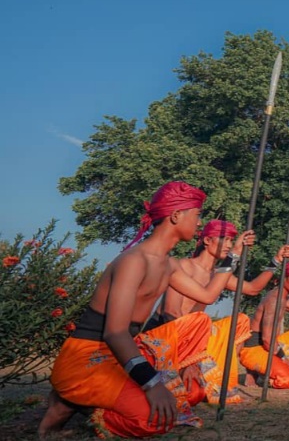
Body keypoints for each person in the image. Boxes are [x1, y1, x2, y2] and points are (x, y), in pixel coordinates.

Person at [38, 181, 240, 438]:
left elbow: (209, 295)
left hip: (123, 353)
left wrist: (232, 257)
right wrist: (152, 383)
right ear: (176, 215)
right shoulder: (134, 261)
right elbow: (114, 333)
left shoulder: (169, 265)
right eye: (198, 214)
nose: (200, 223)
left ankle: (74, 401)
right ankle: (79, 404)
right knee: (155, 419)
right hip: (88, 358)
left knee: (197, 324)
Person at [146, 219, 289, 404]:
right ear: (207, 241)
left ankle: (216, 376)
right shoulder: (183, 266)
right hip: (167, 337)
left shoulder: (218, 275)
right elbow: (170, 312)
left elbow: (253, 288)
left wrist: (276, 261)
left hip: (193, 340)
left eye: (232, 240)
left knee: (240, 320)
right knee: (188, 395)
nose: (229, 245)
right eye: (224, 239)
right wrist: (189, 360)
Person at [239, 261, 289, 390]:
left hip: (269, 345)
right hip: (254, 349)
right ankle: (261, 374)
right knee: (288, 380)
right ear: (284, 278)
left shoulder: (283, 298)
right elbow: (266, 339)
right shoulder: (274, 300)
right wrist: (283, 357)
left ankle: (277, 369)